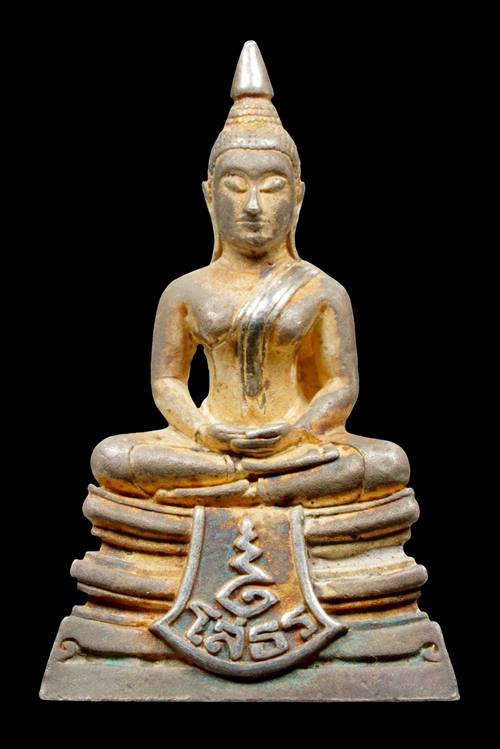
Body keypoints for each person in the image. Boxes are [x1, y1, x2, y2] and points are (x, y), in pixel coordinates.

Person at [91, 41, 409, 507]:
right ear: (209, 196)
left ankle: (236, 486)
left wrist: (296, 432)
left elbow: (341, 385)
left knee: (387, 463)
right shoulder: (185, 290)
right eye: (236, 186)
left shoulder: (322, 290)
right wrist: (205, 431)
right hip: (209, 444)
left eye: (273, 187)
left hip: (296, 445)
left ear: (297, 197)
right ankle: (262, 485)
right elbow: (167, 382)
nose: (254, 205)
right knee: (112, 457)